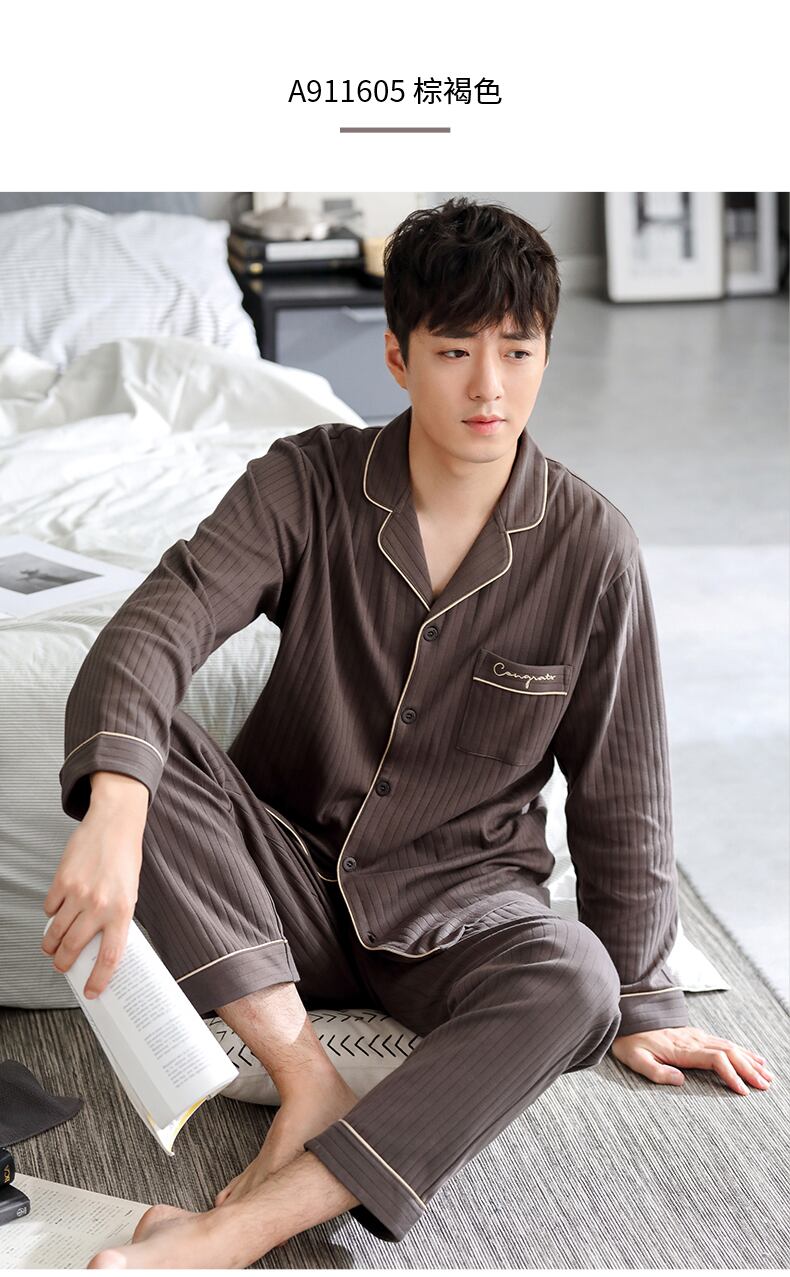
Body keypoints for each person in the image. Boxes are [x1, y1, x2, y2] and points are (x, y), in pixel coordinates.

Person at [41, 198, 772, 1269]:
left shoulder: (592, 547)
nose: (489, 388)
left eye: (517, 351)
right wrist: (116, 807)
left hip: (461, 909)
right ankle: (307, 1075)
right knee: (149, 749)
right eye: (455, 351)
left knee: (575, 977)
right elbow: (158, 624)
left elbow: (624, 788)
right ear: (398, 355)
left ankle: (241, 1228)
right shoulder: (306, 481)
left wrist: (642, 997)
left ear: (546, 353)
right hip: (283, 880)